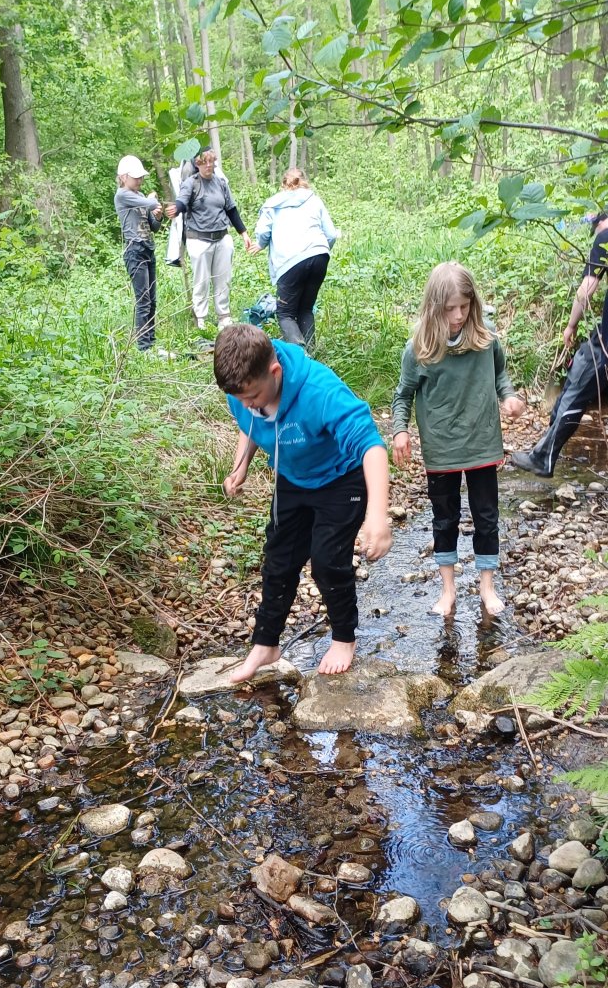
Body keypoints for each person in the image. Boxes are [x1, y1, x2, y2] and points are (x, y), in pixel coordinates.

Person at [214, 324, 392, 680]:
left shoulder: (319, 390)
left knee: (327, 560)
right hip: (292, 479)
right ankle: (266, 644)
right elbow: (247, 424)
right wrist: (241, 466)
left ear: (275, 372)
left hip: (341, 479)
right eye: (240, 398)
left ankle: (344, 636)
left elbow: (372, 445)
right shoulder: (243, 389)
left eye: (252, 395)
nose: (246, 403)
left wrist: (377, 516)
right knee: (278, 560)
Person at [391, 262, 524, 617]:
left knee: (486, 516)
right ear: (434, 307)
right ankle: (448, 590)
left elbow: (500, 376)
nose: (458, 315)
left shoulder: (485, 337)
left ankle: (487, 587)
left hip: (482, 442)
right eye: (450, 309)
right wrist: (400, 430)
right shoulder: (418, 348)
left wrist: (509, 398)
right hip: (441, 448)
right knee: (444, 518)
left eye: (464, 306)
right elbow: (402, 395)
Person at [512, 211, 608, 477]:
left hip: (607, 344)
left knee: (576, 391)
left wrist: (571, 325)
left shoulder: (605, 238)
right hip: (603, 336)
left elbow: (586, 290)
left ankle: (544, 457)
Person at [165, 150, 252, 331]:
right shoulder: (191, 183)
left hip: (222, 237)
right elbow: (182, 201)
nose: (209, 165)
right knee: (202, 281)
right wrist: (177, 209)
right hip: (199, 240)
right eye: (205, 162)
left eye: (212, 162)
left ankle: (224, 316)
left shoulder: (220, 183)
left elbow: (231, 210)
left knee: (223, 279)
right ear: (197, 164)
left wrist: (243, 233)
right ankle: (201, 318)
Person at [253, 167, 338, 351]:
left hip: (289, 262)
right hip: (319, 256)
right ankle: (311, 352)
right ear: (305, 182)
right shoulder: (314, 200)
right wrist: (318, 251)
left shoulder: (273, 204)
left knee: (285, 313)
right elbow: (331, 234)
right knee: (306, 308)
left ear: (283, 184)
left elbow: (262, 232)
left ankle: (299, 352)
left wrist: (260, 244)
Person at [114, 154, 164, 354]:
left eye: (141, 177)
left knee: (151, 299)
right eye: (136, 177)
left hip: (147, 248)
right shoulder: (122, 195)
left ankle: (150, 341)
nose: (140, 180)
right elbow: (151, 204)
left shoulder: (141, 197)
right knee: (143, 299)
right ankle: (144, 347)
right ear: (123, 177)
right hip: (134, 251)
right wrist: (153, 202)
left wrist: (158, 217)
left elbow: (154, 227)